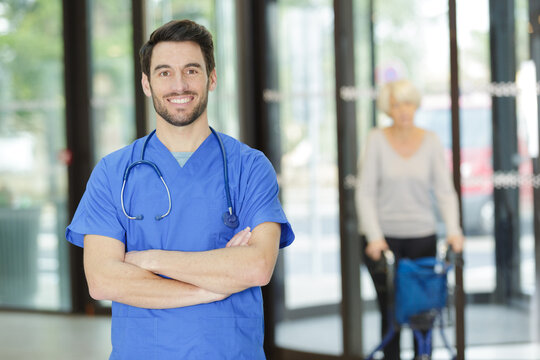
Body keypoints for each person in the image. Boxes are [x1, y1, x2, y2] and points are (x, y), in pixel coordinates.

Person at [66, 19, 294, 359]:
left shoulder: (250, 166)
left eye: (191, 70)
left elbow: (257, 267)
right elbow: (103, 280)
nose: (179, 84)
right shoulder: (113, 173)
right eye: (163, 73)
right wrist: (212, 288)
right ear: (146, 83)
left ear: (211, 78)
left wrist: (150, 260)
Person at [356, 79, 463, 360]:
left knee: (421, 315)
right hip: (384, 242)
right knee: (390, 314)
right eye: (396, 104)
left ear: (415, 105)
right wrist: (374, 236)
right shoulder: (376, 139)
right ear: (388, 109)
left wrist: (454, 230)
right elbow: (365, 192)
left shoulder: (430, 141)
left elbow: (444, 192)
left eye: (407, 103)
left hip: (422, 238)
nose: (403, 110)